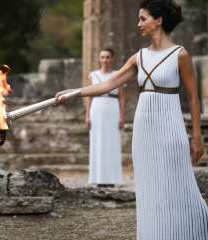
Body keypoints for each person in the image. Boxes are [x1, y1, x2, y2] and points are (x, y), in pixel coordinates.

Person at [56, 0, 207, 239]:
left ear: (158, 21)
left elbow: (194, 99)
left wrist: (197, 138)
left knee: (177, 184)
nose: (139, 24)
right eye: (138, 19)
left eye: (143, 19)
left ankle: (189, 231)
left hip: (171, 128)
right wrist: (74, 92)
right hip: (144, 130)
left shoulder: (180, 55)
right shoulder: (139, 57)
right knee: (149, 188)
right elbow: (107, 84)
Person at [86, 48, 125, 187]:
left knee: (112, 142)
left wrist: (122, 116)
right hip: (97, 108)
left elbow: (121, 97)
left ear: (112, 59)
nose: (105, 60)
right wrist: (87, 116)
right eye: (102, 57)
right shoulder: (93, 75)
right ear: (99, 59)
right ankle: (97, 177)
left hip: (112, 108)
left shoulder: (117, 74)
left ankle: (112, 178)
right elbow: (89, 96)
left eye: (108, 57)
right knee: (97, 142)